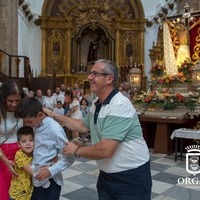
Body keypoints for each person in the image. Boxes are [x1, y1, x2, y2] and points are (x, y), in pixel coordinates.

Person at [43, 59, 152, 200]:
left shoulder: (119, 105)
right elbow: (83, 126)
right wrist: (53, 115)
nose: (89, 77)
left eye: (95, 74)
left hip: (130, 176)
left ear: (109, 79)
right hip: (107, 174)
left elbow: (106, 149)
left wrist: (76, 150)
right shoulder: (96, 102)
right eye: (90, 73)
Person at [16, 97, 74, 200]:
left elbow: (70, 157)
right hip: (36, 180)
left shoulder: (54, 129)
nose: (27, 125)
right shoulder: (35, 125)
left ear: (40, 114)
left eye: (29, 121)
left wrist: (51, 170)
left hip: (50, 180)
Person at [0, 79, 24, 200]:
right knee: (3, 193)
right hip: (1, 155)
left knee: (20, 193)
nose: (14, 104)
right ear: (4, 98)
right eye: (10, 101)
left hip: (20, 155)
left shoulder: (22, 110)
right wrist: (5, 160)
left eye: (17, 101)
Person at [9, 126, 34, 200]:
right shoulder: (19, 155)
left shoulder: (33, 153)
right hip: (17, 195)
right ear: (18, 144)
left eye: (31, 140)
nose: (28, 143)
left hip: (27, 194)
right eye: (24, 141)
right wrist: (50, 166)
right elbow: (32, 171)